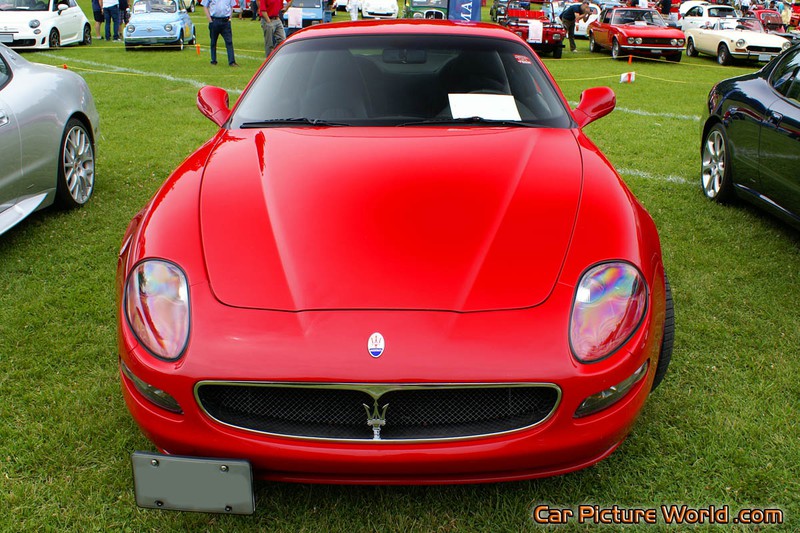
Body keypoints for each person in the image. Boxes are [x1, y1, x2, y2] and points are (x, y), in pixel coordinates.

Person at [204, 0, 239, 66]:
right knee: (213, 42)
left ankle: (232, 62)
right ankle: (213, 61)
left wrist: (230, 19)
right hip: (214, 20)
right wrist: (210, 20)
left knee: (229, 42)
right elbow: (205, 6)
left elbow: (232, 6)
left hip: (226, 21)